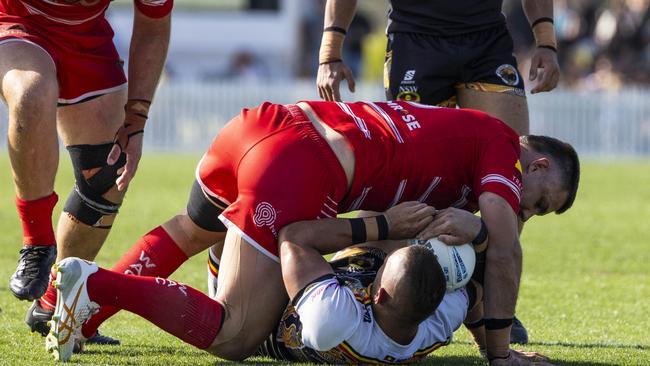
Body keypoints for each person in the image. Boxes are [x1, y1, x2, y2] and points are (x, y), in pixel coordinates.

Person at [49, 100, 579, 364]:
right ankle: (95, 286)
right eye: (540, 203)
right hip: (302, 163)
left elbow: (414, 249)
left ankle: (69, 308)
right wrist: (503, 353)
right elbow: (504, 249)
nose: (527, 213)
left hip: (268, 122)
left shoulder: (465, 147)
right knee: (237, 334)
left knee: (192, 230)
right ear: (534, 168)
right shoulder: (502, 148)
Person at [316, 0, 562, 344]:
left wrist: (546, 40)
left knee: (512, 182)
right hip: (415, 41)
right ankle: (385, 286)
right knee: (411, 190)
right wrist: (330, 51)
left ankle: (488, 303)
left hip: (486, 39)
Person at [0, 0, 172, 342]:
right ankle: (37, 244)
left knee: (109, 171)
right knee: (33, 93)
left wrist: (136, 119)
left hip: (86, 37)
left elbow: (153, 27)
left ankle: (53, 304)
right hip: (17, 22)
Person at [257, 241, 552, 365]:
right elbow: (476, 291)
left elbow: (293, 240)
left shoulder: (334, 318)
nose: (380, 267)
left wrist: (382, 225)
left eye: (382, 271)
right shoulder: (437, 324)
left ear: (379, 294)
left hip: (265, 312)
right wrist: (493, 350)